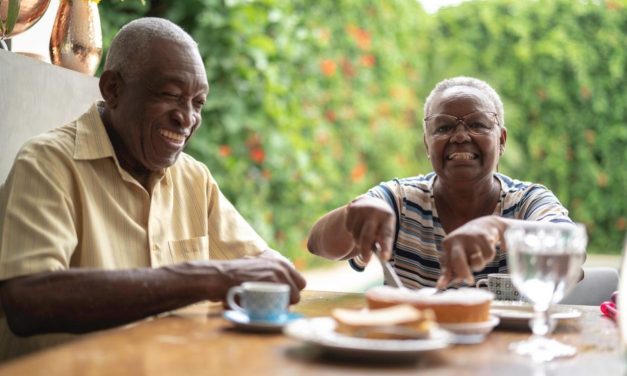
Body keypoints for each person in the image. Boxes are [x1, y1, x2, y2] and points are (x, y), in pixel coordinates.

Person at [0, 18, 305, 360]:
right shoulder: (46, 164)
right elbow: (27, 299)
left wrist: (271, 272)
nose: (187, 118)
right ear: (112, 89)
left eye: (198, 103)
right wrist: (203, 277)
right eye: (171, 95)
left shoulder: (194, 178)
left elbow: (261, 265)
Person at [307, 76, 575, 290]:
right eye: (444, 128)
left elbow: (571, 247)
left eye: (478, 125)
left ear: (501, 140)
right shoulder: (399, 201)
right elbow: (318, 244)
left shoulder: (528, 201)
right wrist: (354, 213)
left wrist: (496, 228)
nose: (460, 136)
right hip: (415, 351)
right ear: (427, 143)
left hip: (506, 354)